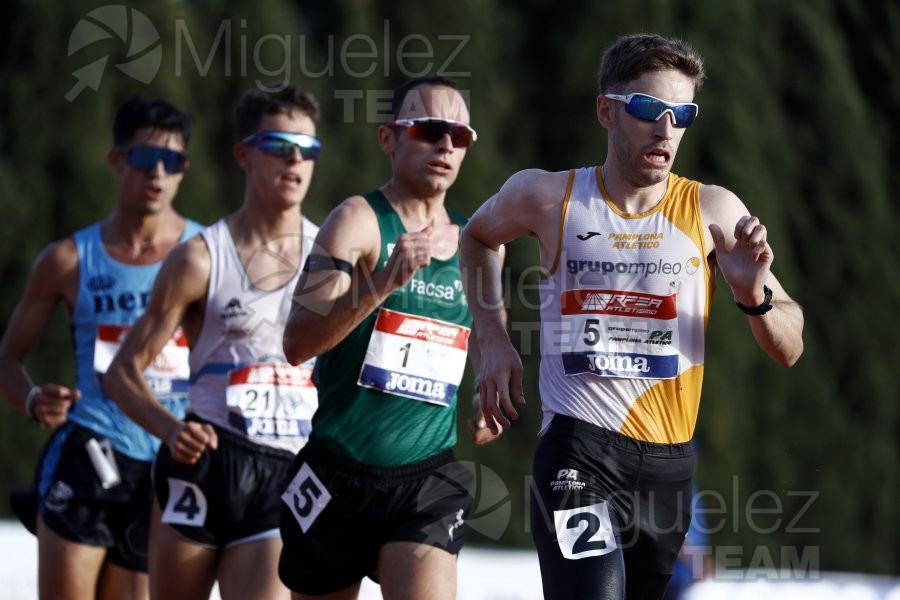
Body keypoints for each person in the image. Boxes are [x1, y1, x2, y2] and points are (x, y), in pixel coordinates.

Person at [459, 33, 805, 600]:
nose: (665, 130)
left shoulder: (713, 211)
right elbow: (476, 239)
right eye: (647, 110)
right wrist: (492, 339)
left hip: (668, 470)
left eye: (682, 114)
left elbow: (789, 346)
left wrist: (752, 294)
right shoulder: (548, 197)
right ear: (607, 111)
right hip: (578, 452)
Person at [278, 75, 501, 600]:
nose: (445, 144)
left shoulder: (480, 244)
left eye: (460, 135)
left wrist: (487, 392)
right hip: (338, 471)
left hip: (426, 479)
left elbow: (490, 340)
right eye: (428, 129)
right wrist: (383, 283)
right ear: (389, 139)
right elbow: (297, 343)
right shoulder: (356, 222)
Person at [103, 84, 322, 600]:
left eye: (307, 148)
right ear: (244, 155)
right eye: (278, 145)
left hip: (283, 469)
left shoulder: (329, 255)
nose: (294, 158)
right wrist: (169, 428)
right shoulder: (200, 257)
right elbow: (121, 374)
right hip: (203, 464)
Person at [0, 95, 201, 599]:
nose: (157, 172)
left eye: (172, 161)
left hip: (164, 460)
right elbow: (7, 358)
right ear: (116, 161)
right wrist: (30, 399)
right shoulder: (68, 259)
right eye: (143, 157)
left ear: (184, 171)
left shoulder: (206, 252)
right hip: (91, 447)